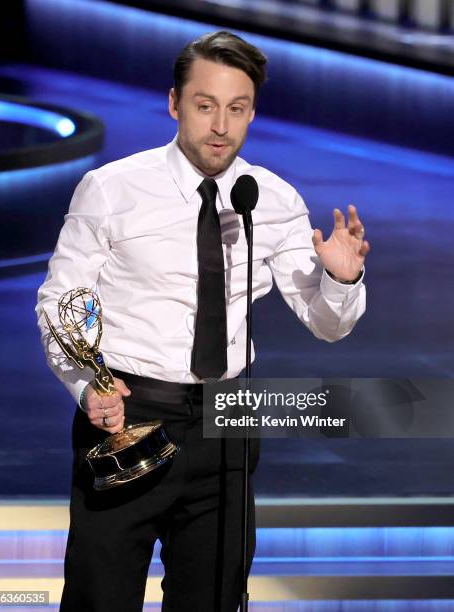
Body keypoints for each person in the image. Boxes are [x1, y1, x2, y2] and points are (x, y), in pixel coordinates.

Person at [36, 30, 369, 612]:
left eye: (236, 109)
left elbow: (326, 324)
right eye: (205, 105)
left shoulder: (273, 199)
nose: (221, 125)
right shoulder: (112, 189)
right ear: (174, 103)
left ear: (252, 114)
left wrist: (340, 280)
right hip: (129, 417)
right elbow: (64, 298)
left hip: (229, 421)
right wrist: (86, 382)